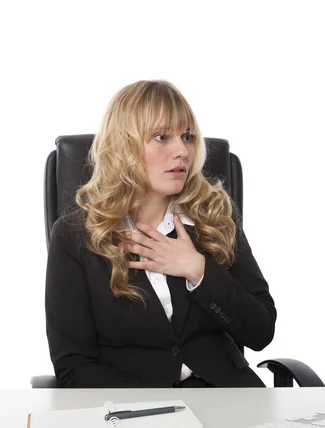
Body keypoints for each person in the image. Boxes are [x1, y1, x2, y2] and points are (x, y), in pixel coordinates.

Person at [45, 80, 276, 388]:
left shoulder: (214, 217)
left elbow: (261, 332)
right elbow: (74, 367)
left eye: (187, 137)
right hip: (138, 409)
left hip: (229, 399)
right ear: (123, 146)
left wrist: (198, 270)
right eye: (161, 137)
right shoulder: (75, 237)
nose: (182, 151)